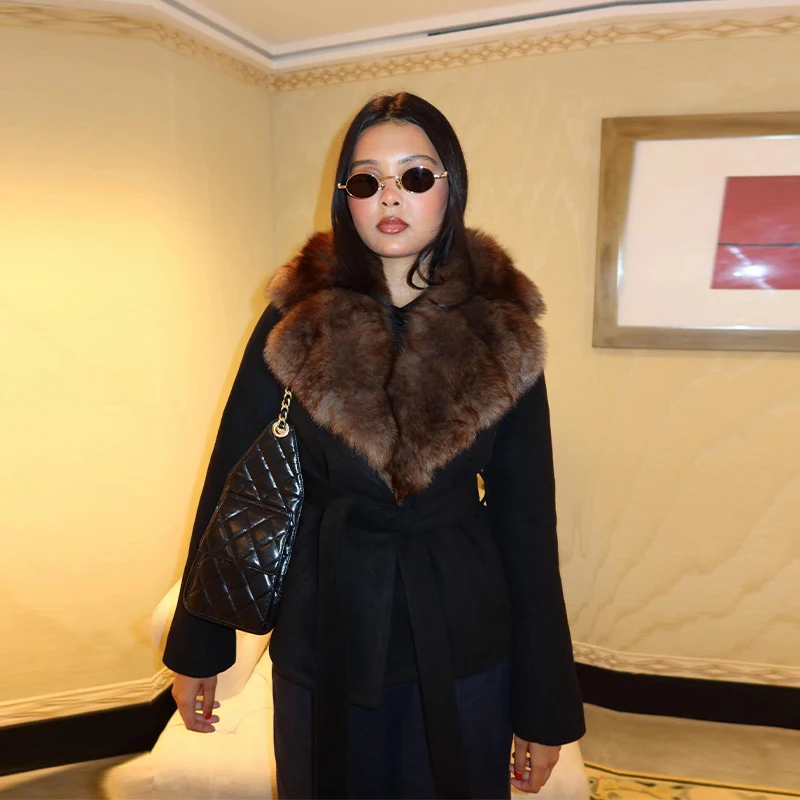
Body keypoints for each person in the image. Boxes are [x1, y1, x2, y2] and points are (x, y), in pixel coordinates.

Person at [162, 91, 586, 799]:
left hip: (463, 628)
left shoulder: (502, 327)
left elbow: (527, 524)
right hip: (325, 621)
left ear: (451, 186)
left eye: (415, 175)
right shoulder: (297, 317)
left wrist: (544, 708)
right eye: (366, 180)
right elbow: (231, 484)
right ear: (346, 198)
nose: (390, 195)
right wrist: (199, 646)